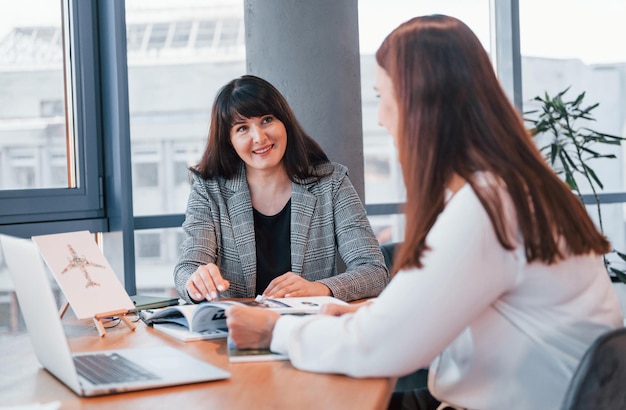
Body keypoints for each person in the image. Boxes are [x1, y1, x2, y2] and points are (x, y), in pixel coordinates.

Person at [225, 15, 624, 410]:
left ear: (420, 106)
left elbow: (383, 347)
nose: (381, 119)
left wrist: (275, 330)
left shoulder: (488, 207)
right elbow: (429, 312)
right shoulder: (520, 188)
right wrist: (359, 317)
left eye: (384, 98)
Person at [174, 75, 389, 304]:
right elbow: (187, 267)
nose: (259, 137)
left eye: (267, 120)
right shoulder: (209, 190)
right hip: (235, 330)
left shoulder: (331, 182)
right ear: (229, 141)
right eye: (242, 128)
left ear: (284, 122)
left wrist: (319, 288)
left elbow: (374, 271)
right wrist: (196, 281)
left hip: (308, 330)